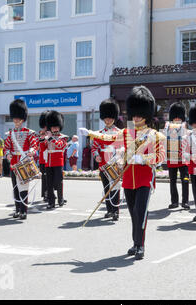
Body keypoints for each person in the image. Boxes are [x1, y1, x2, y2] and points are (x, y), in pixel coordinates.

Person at [81, 86, 166, 260]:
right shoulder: (126, 132)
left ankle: (141, 245)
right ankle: (135, 243)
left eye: (139, 114)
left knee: (141, 211)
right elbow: (108, 138)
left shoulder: (154, 135)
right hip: (128, 179)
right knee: (133, 212)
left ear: (146, 114)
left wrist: (143, 159)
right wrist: (90, 133)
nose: (135, 117)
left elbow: (161, 156)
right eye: (134, 114)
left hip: (144, 179)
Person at [4, 99, 38, 220]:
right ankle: (17, 209)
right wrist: (7, 154)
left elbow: (34, 145)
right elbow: (6, 146)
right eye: (15, 118)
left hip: (24, 163)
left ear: (22, 119)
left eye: (18, 118)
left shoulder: (29, 133)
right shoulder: (10, 133)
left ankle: (24, 210)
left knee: (23, 187)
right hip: (14, 163)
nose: (16, 120)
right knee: (15, 187)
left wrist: (31, 152)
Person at [91, 99, 121, 220]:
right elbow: (94, 148)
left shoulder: (119, 132)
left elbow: (122, 147)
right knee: (106, 188)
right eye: (106, 118)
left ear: (114, 118)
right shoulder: (99, 133)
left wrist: (119, 157)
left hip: (114, 163)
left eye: (110, 118)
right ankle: (109, 210)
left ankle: (116, 210)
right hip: (103, 164)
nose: (108, 120)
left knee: (116, 187)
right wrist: (96, 155)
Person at [165, 102, 189, 210]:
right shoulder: (167, 126)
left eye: (179, 118)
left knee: (185, 179)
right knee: (173, 180)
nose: (177, 120)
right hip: (172, 158)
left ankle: (185, 201)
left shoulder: (186, 127)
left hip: (183, 158)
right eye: (175, 118)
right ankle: (174, 201)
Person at [44, 111, 68, 210]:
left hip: (58, 162)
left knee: (58, 181)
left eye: (56, 127)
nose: (54, 128)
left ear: (59, 127)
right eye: (53, 127)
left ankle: (60, 198)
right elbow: (41, 148)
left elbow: (59, 145)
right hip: (48, 162)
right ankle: (51, 201)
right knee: (49, 183)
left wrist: (49, 138)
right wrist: (42, 139)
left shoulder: (63, 137)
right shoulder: (47, 137)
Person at [38, 111, 50, 202]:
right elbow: (41, 147)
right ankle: (45, 194)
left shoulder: (51, 134)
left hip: (52, 160)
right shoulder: (42, 135)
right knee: (45, 179)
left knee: (53, 178)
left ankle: (53, 194)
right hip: (43, 160)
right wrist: (43, 137)